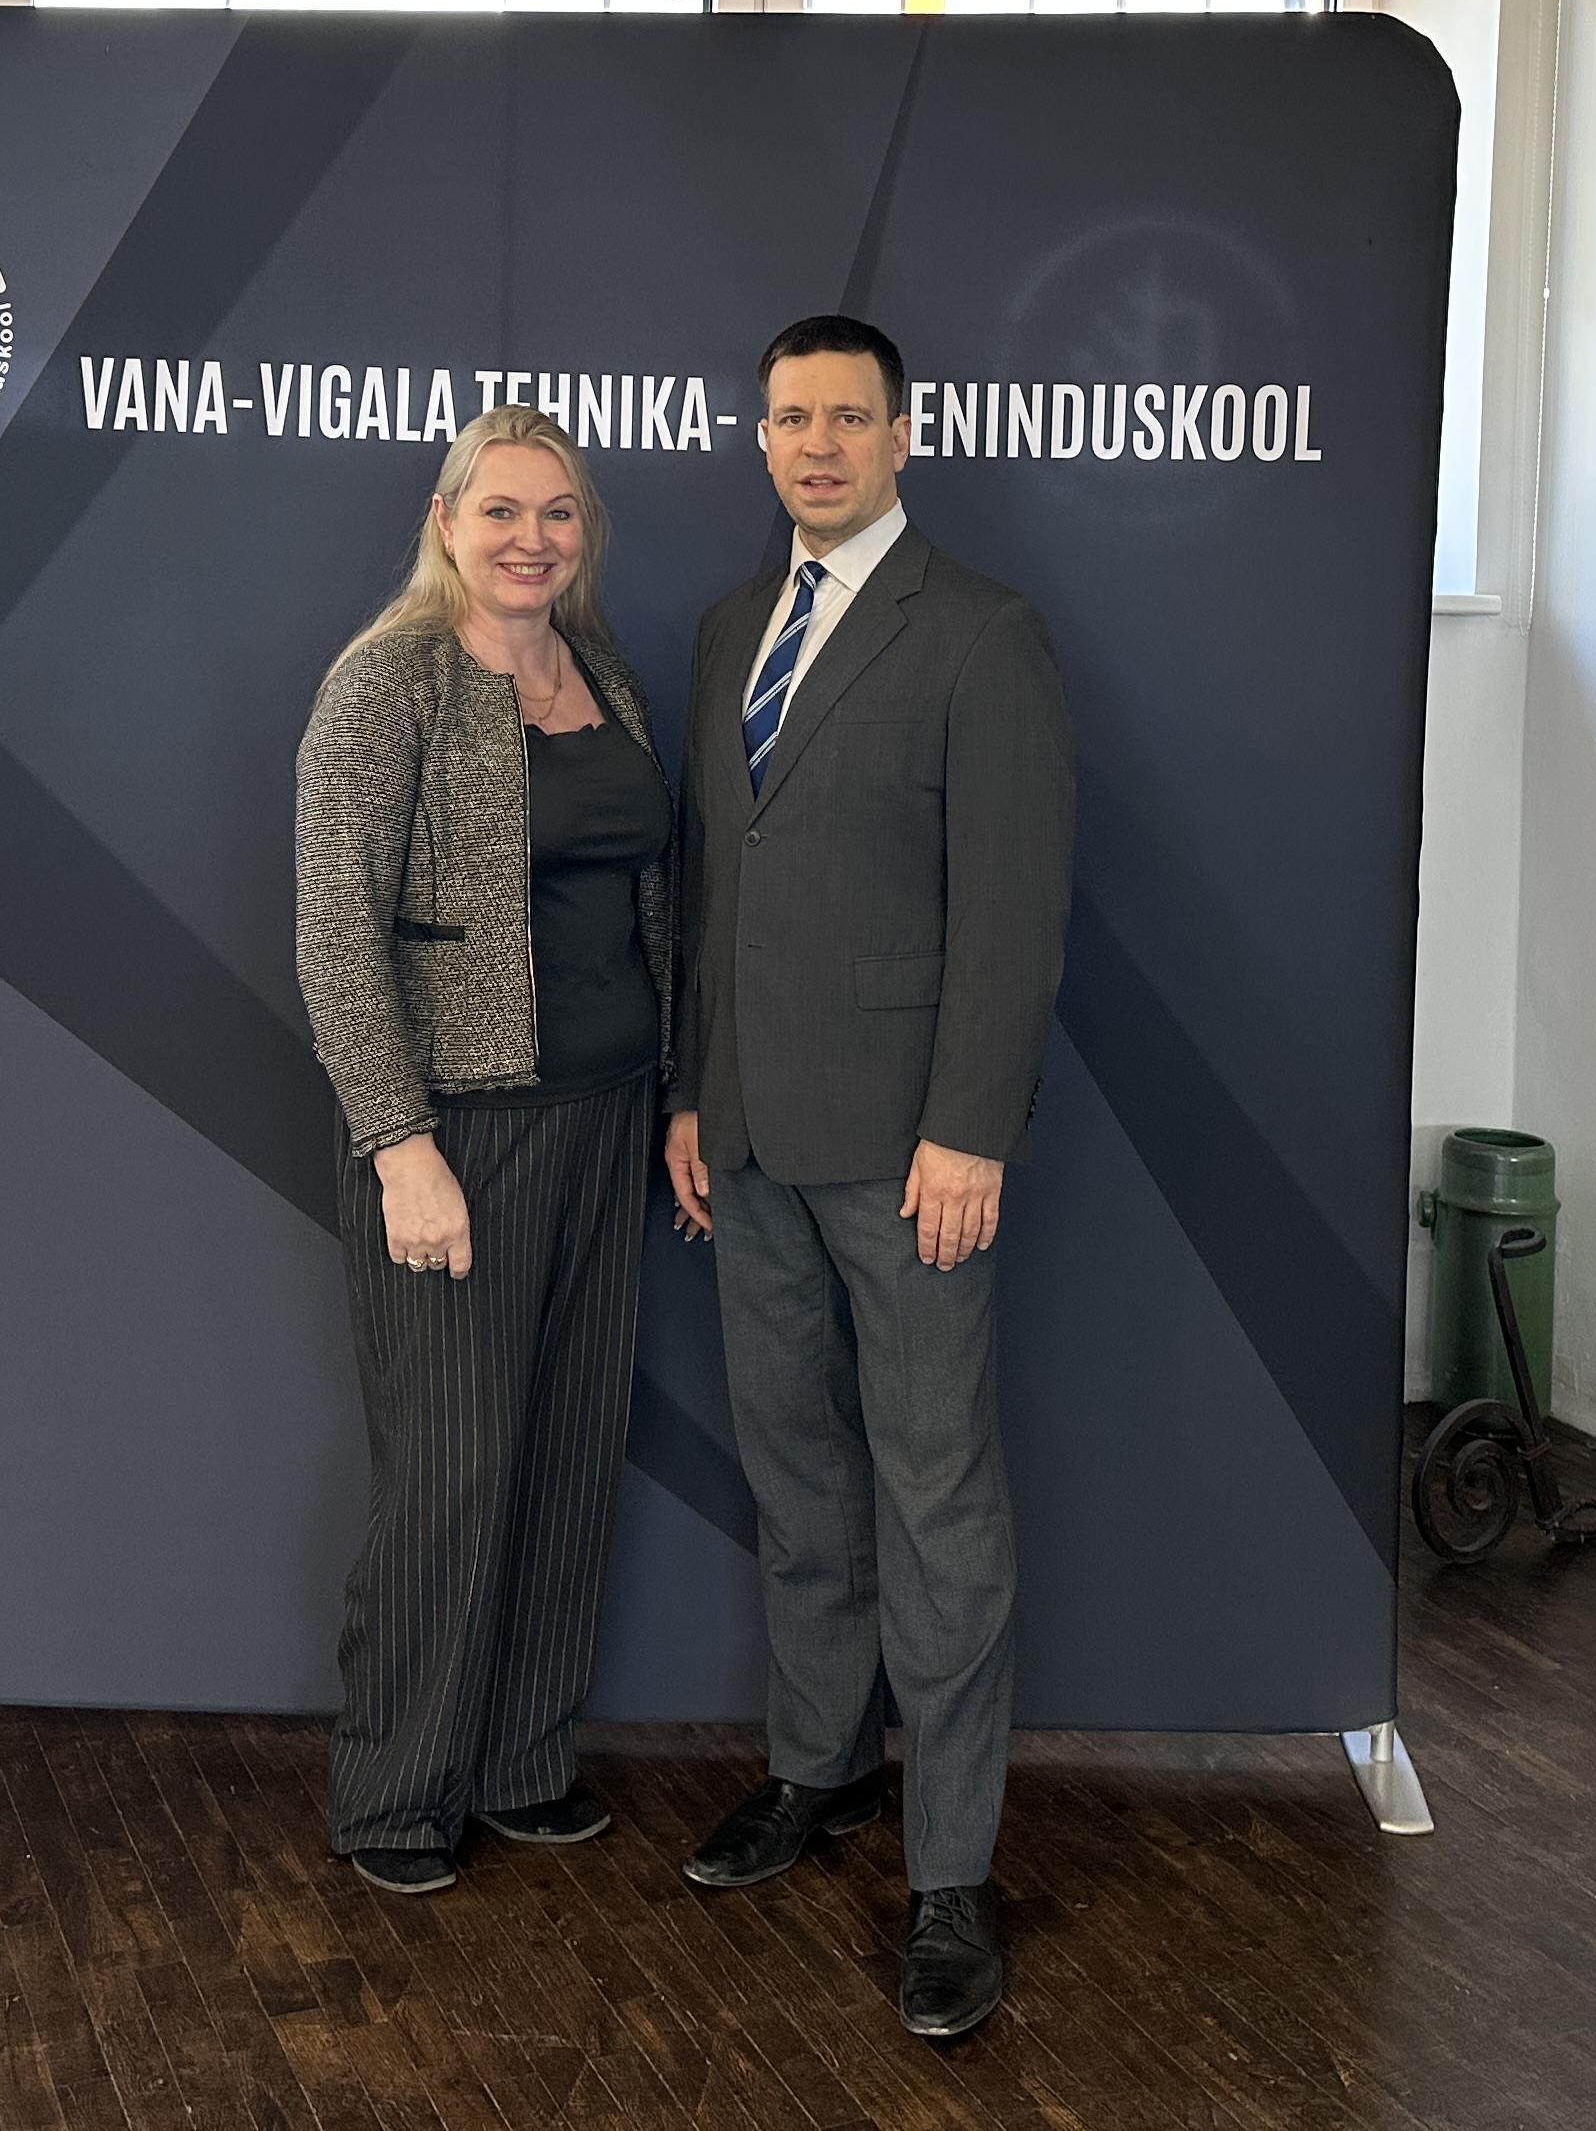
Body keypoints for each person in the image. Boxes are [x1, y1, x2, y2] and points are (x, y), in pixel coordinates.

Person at [665, 312, 1076, 2041]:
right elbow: (713, 892)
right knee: (797, 1475)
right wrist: (694, 1098)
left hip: (913, 1157)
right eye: (790, 418)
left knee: (936, 1503)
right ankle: (820, 1767)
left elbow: (1013, 910)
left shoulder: (979, 632)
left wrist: (971, 1128)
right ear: (760, 439)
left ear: (905, 437)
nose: (817, 444)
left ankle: (952, 1874)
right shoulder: (725, 630)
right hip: (749, 1140)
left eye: (848, 417)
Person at [294, 404, 675, 1896]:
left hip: (609, 1114)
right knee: (451, 1478)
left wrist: (676, 1093)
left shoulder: (604, 675)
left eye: (558, 512)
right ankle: (397, 1794)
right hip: (463, 1131)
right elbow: (337, 935)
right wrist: (401, 1145)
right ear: (446, 521)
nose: (533, 539)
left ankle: (522, 1763)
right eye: (502, 510)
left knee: (571, 1458)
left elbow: (650, 895)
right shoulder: (385, 683)